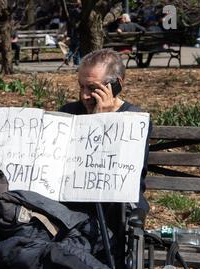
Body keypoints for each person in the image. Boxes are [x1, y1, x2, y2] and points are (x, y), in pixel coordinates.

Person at [59, 48, 152, 238]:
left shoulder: (134, 120)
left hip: (111, 207)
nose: (84, 95)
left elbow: (126, 179)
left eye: (93, 88)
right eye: (81, 86)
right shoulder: (68, 112)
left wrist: (102, 123)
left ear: (116, 85)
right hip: (70, 204)